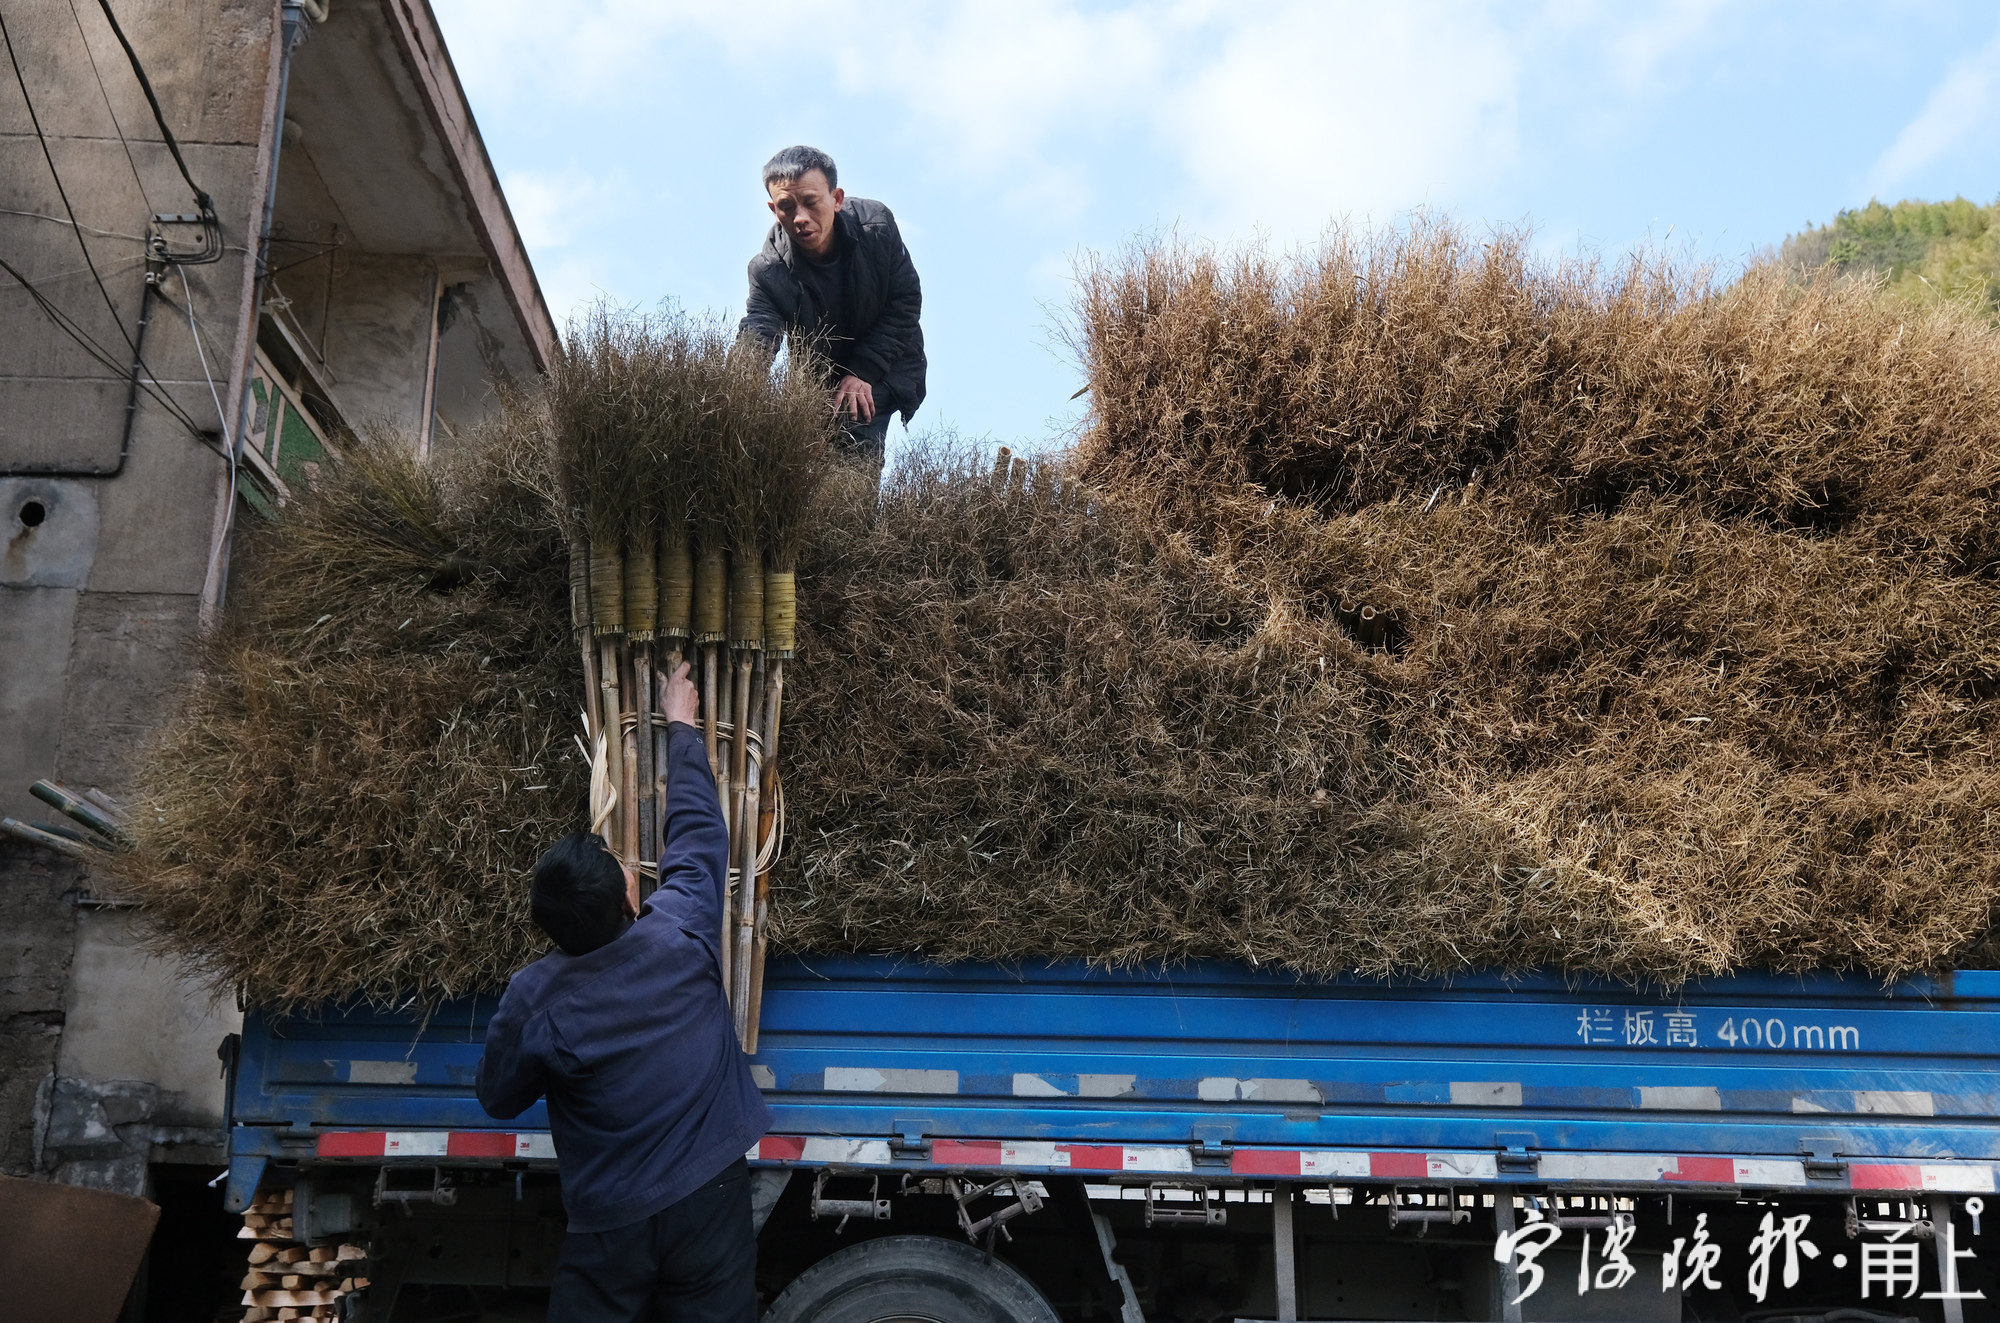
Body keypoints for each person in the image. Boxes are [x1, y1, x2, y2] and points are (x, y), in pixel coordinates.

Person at [477, 661, 771, 1323]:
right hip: (707, 1194)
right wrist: (682, 723)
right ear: (631, 894)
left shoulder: (534, 996)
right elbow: (699, 835)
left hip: (612, 1219)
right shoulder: (681, 929)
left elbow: (499, 1096)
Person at [739, 144, 925, 483]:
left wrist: (863, 371)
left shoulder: (876, 228)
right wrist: (738, 388)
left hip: (884, 362)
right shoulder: (768, 271)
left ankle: (852, 529)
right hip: (820, 379)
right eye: (786, 206)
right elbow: (757, 332)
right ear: (772, 208)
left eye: (811, 202)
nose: (800, 217)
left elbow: (905, 301)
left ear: (836, 198)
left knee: (853, 438)